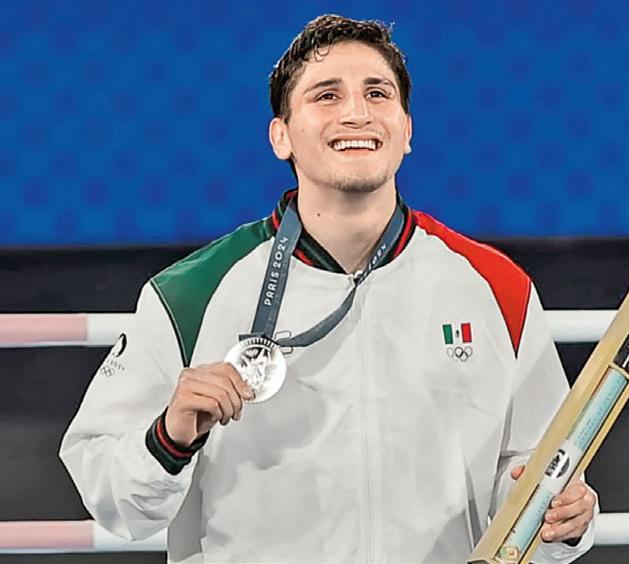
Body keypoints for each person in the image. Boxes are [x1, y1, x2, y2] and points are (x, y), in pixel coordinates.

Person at [60, 14, 597, 564]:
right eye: (326, 95)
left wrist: (561, 522)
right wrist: (169, 437)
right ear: (281, 136)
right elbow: (109, 495)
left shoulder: (497, 287)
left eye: (377, 93)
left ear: (407, 130)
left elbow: (530, 479)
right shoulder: (192, 294)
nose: (357, 112)